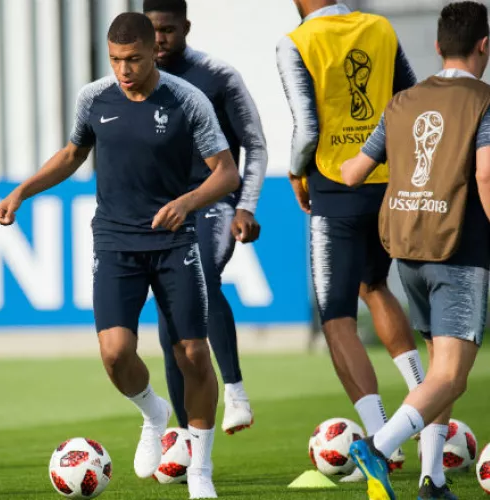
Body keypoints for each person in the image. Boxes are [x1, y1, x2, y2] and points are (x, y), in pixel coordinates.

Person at [0, 12, 238, 499]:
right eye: (115, 60)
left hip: (174, 242)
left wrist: (187, 203)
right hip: (115, 242)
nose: (124, 70)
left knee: (192, 353)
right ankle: (153, 413)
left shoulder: (187, 99)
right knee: (114, 354)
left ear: (153, 53)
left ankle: (200, 471)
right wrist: (22, 191)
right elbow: (71, 156)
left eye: (132, 60)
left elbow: (226, 173)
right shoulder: (94, 97)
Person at [343, 2, 490, 499]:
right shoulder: (484, 102)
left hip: (406, 252)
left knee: (443, 372)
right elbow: (487, 175)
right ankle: (378, 447)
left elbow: (353, 171)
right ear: (484, 46)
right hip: (458, 250)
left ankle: (434, 479)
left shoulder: (402, 102)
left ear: (436, 46)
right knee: (450, 375)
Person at [277, 0, 423, 480]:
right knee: (375, 286)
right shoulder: (380, 28)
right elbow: (411, 99)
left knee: (336, 318)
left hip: (335, 189)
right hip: (386, 181)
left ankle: (383, 442)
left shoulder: (296, 42)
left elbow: (306, 128)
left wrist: (296, 172)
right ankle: (420, 404)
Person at [143, 0, 268, 435]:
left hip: (214, 206)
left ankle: (235, 393)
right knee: (169, 326)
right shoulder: (138, 81)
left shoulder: (218, 76)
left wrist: (246, 205)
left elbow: (256, 143)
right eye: (152, 30)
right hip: (164, 210)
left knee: (201, 279)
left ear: (186, 27)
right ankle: (185, 437)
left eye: (168, 30)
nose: (160, 39)